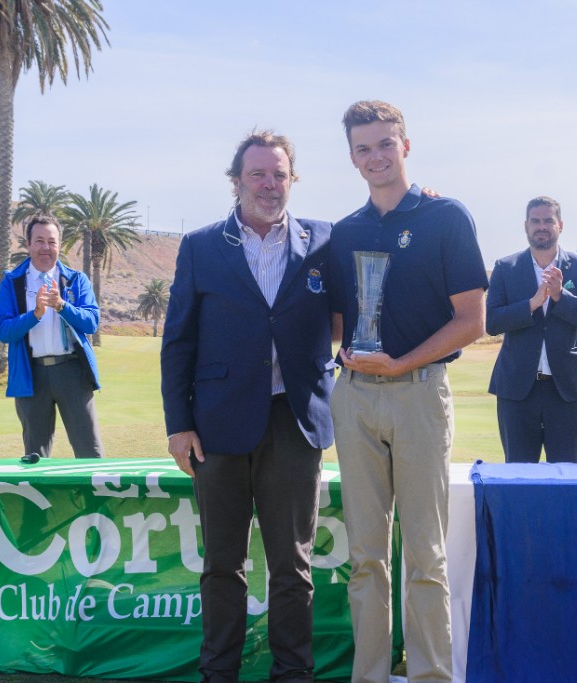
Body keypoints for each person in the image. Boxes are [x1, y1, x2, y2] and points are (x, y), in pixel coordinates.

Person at [160, 131, 338, 683]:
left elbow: (380, 240)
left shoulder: (326, 242)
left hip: (295, 422)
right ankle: (220, 674)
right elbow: (178, 341)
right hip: (217, 427)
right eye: (257, 174)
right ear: (236, 181)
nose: (268, 184)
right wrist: (179, 425)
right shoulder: (200, 245)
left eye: (279, 174)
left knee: (293, 568)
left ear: (293, 179)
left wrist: (420, 202)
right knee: (221, 566)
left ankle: (293, 674)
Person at [328, 100, 487, 683]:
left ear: (406, 145)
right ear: (351, 157)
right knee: (365, 558)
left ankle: (430, 676)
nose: (375, 157)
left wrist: (402, 365)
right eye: (363, 148)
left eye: (384, 144)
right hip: (356, 398)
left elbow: (472, 319)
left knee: (425, 554)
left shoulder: (446, 216)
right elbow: (341, 320)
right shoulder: (343, 232)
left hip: (419, 394)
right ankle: (367, 676)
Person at [486, 196, 577, 463]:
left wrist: (561, 297)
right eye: (535, 221)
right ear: (525, 226)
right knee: (518, 479)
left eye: (548, 220)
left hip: (566, 392)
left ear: (560, 225)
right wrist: (531, 304)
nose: (542, 226)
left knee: (567, 480)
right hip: (517, 392)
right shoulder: (506, 268)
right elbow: (492, 322)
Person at [0, 214, 104, 459]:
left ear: (59, 245)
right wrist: (35, 314)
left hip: (72, 373)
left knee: (90, 452)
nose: (46, 247)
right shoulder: (12, 283)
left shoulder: (76, 280)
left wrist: (63, 306)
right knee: (35, 455)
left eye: (52, 241)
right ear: (29, 244)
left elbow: (92, 322)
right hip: (31, 375)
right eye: (40, 241)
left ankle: (96, 498)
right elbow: (3, 330)